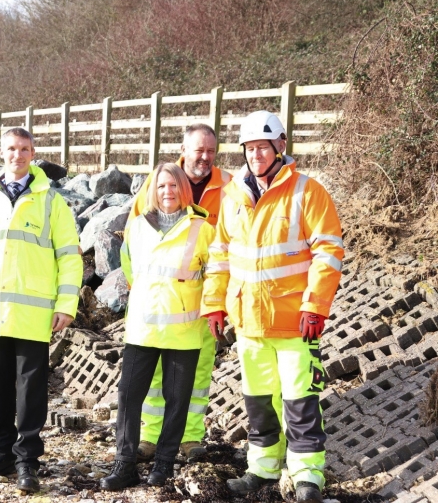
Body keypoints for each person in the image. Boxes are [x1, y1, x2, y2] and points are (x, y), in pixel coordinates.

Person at [201, 111, 343, 503]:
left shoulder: (307, 192)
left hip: (294, 321)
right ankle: (262, 468)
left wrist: (315, 306)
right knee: (259, 402)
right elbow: (219, 254)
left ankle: (307, 476)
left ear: (281, 146)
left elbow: (329, 251)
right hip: (248, 322)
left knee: (300, 403)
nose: (256, 154)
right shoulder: (232, 197)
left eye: (263, 146)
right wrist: (215, 304)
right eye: (250, 148)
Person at [0, 127, 82, 493]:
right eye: (11, 149)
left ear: (33, 152)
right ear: (1, 152)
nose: (17, 155)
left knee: (30, 391)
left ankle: (27, 460)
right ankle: (1, 455)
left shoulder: (51, 201)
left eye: (24, 149)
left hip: (33, 313)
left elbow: (69, 257)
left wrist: (66, 304)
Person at [100, 162, 215, 490]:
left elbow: (215, 275)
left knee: (177, 399)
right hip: (143, 327)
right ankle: (124, 464)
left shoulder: (202, 229)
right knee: (128, 395)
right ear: (153, 190)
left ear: (184, 190)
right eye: (162, 186)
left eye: (174, 186)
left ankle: (163, 465)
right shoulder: (136, 226)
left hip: (184, 330)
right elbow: (130, 267)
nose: (168, 192)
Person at [129, 124, 231, 463]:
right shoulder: (158, 182)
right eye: (198, 150)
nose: (204, 157)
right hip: (160, 304)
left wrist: (220, 299)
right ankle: (149, 436)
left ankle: (189, 437)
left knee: (198, 374)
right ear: (183, 150)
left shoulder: (229, 187)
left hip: (203, 303)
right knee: (155, 375)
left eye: (210, 151)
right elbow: (133, 242)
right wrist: (140, 288)